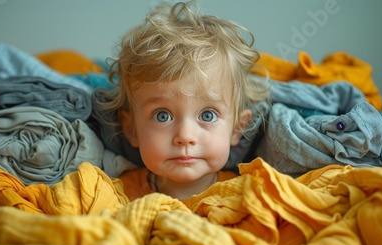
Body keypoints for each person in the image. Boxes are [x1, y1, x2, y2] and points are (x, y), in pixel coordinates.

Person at [93, 1, 270, 203]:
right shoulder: (115, 195)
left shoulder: (248, 196)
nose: (185, 136)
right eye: (162, 116)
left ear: (237, 128)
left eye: (207, 115)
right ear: (131, 129)